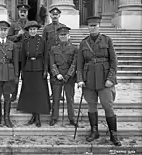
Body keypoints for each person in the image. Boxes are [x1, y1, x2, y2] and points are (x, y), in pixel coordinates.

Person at [77, 16, 121, 146]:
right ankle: (94, 131)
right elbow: (80, 64)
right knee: (91, 105)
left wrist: (111, 79)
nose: (93, 27)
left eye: (95, 25)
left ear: (99, 26)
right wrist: (80, 79)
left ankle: (113, 133)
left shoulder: (107, 40)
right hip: (88, 79)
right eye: (90, 25)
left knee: (108, 105)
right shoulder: (83, 43)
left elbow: (114, 61)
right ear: (88, 27)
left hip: (104, 79)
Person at [17, 21, 50, 127]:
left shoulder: (42, 41)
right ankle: (33, 116)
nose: (32, 31)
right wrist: (22, 71)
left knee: (39, 93)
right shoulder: (25, 42)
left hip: (39, 68)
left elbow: (46, 56)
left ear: (37, 30)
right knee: (31, 93)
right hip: (28, 69)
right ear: (28, 31)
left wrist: (45, 70)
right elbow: (22, 58)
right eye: (31, 29)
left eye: (34, 29)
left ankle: (38, 116)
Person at [49, 26, 77, 126]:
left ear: (69, 36)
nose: (63, 37)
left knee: (70, 99)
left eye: (65, 35)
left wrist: (69, 75)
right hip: (57, 77)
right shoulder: (53, 49)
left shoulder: (74, 48)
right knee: (56, 98)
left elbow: (75, 63)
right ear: (58, 36)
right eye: (61, 35)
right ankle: (54, 117)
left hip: (69, 77)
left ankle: (72, 118)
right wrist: (57, 74)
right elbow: (52, 63)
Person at [8, 4, 31, 102]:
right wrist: (17, 35)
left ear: (27, 13)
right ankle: (13, 95)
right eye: (21, 12)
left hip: (27, 55)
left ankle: (25, 95)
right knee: (15, 76)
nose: (23, 13)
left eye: (24, 12)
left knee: (26, 77)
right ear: (18, 13)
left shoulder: (31, 24)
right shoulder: (13, 25)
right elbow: (8, 38)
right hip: (16, 55)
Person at [42, 7, 66, 100]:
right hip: (50, 55)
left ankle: (60, 94)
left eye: (56, 14)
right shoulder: (47, 28)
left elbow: (67, 41)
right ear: (50, 16)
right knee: (53, 75)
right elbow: (44, 42)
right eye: (53, 15)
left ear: (59, 15)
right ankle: (53, 93)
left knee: (61, 73)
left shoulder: (63, 27)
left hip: (61, 55)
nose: (55, 16)